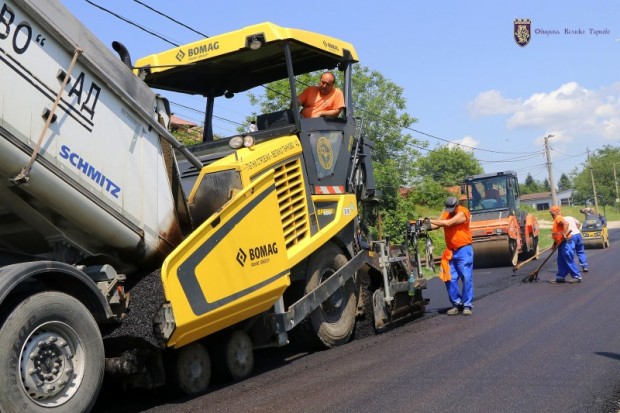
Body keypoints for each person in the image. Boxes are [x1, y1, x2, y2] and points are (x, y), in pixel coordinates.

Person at [428, 196, 474, 315]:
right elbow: (437, 225)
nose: (449, 210)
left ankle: (467, 305)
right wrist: (423, 226)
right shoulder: (446, 213)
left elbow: (448, 223)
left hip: (464, 250)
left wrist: (428, 219)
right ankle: (457, 304)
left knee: (466, 277)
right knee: (449, 278)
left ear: (457, 205)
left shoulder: (463, 212)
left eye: (451, 208)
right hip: (450, 251)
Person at [550, 205, 582, 283]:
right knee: (560, 260)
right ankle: (560, 277)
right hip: (561, 243)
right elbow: (557, 234)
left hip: (566, 242)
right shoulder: (556, 220)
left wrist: (564, 234)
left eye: (551, 212)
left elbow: (566, 224)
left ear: (555, 212)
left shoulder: (558, 217)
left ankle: (577, 276)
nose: (551, 214)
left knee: (568, 259)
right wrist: (554, 244)